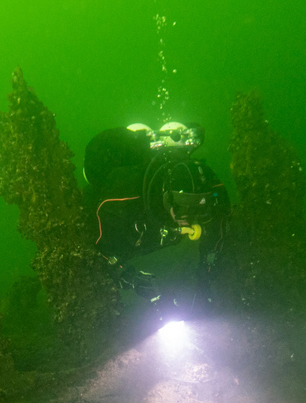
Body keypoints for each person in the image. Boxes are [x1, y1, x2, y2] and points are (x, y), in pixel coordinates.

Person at [82, 122, 231, 303]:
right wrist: (127, 275)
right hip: (125, 214)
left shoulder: (206, 182)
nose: (188, 220)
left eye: (195, 208)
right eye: (181, 209)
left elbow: (221, 221)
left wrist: (206, 272)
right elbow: (94, 248)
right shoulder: (124, 197)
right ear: (165, 197)